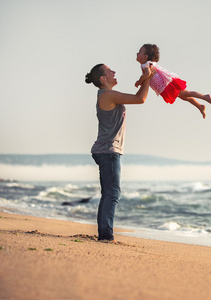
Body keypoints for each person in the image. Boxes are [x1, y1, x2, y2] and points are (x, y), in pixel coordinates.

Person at [85, 63, 155, 242]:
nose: (114, 72)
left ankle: (104, 234)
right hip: (108, 151)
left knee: (108, 193)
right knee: (112, 194)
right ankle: (106, 236)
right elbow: (140, 99)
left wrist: (147, 77)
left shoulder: (107, 95)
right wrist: (148, 76)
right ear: (103, 78)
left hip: (107, 150)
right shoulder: (107, 94)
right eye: (110, 71)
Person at [135, 43, 211, 119]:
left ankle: (204, 96)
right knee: (184, 96)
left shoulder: (145, 65)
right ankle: (200, 106)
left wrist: (139, 81)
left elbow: (148, 73)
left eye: (139, 52)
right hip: (165, 85)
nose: (137, 53)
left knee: (186, 93)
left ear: (145, 57)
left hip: (166, 84)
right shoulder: (149, 64)